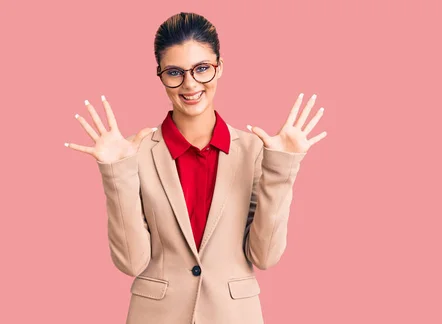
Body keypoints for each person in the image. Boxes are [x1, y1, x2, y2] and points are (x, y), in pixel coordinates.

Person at [64, 12, 326, 324]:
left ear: (220, 68)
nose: (190, 84)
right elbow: (132, 262)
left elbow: (265, 256)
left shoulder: (256, 151)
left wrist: (282, 170)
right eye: (174, 72)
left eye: (202, 68)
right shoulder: (136, 153)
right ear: (160, 75)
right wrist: (116, 171)